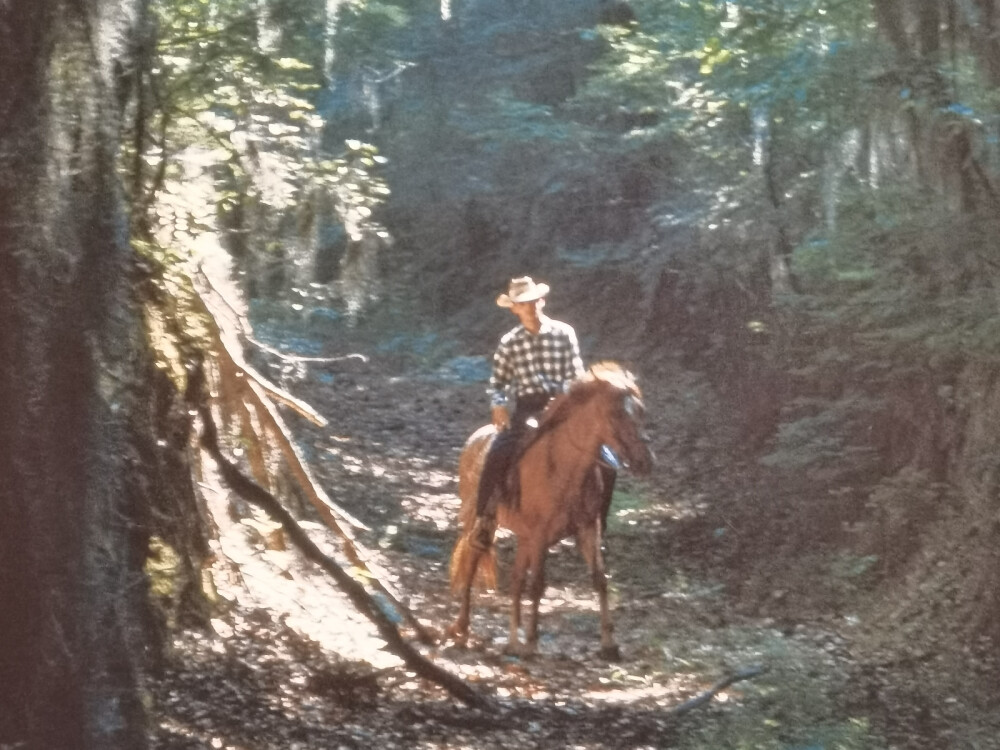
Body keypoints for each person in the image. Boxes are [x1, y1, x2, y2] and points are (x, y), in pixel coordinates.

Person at [470, 276, 587, 551]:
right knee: (498, 453)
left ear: (541, 301)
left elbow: (577, 373)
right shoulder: (510, 342)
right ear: (514, 309)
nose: (529, 307)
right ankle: (485, 520)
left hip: (564, 404)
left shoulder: (564, 333)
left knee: (600, 452)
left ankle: (589, 520)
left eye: (532, 301)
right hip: (528, 405)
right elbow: (498, 382)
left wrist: (565, 395)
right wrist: (498, 405)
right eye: (522, 304)